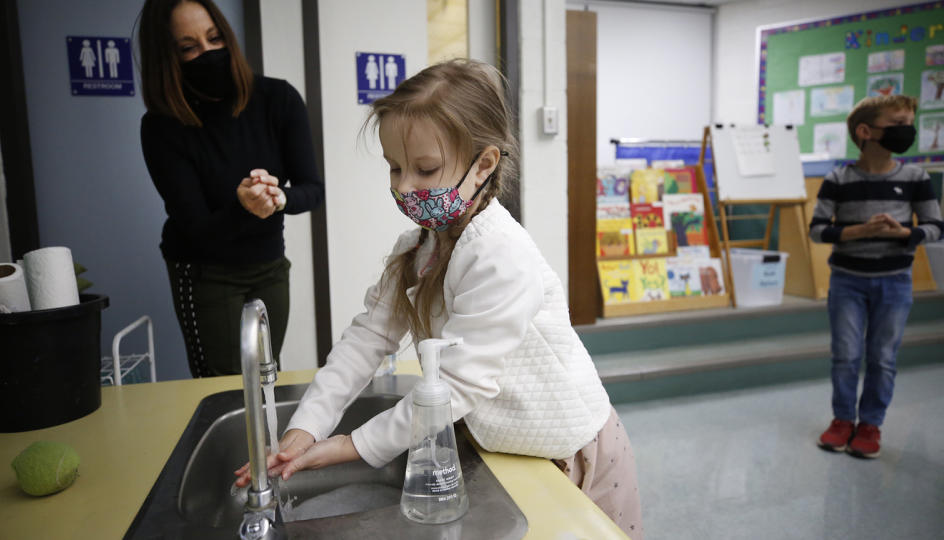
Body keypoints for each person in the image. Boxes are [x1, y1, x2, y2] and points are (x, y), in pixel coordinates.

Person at [233, 59, 643, 536]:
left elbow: (459, 385)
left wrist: (350, 446)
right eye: (394, 167)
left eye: (425, 169)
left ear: (483, 165)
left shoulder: (499, 256)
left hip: (568, 451)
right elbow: (365, 341)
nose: (404, 186)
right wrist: (304, 432)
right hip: (505, 446)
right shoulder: (420, 246)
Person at [137, 0, 323, 377]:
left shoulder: (278, 100)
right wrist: (244, 207)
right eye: (189, 47)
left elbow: (312, 189)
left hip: (269, 265)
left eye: (215, 38)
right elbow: (197, 228)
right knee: (223, 386)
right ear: (167, 58)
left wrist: (278, 198)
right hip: (205, 271)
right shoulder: (162, 127)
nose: (208, 53)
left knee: (267, 375)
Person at [810, 95, 942, 458]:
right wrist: (857, 232)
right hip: (847, 280)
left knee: (883, 356)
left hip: (895, 281)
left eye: (909, 123)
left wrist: (905, 234)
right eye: (897, 123)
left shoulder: (916, 178)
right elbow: (817, 231)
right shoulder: (838, 178)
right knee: (846, 355)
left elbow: (936, 227)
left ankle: (870, 424)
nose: (907, 131)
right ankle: (842, 420)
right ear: (865, 132)